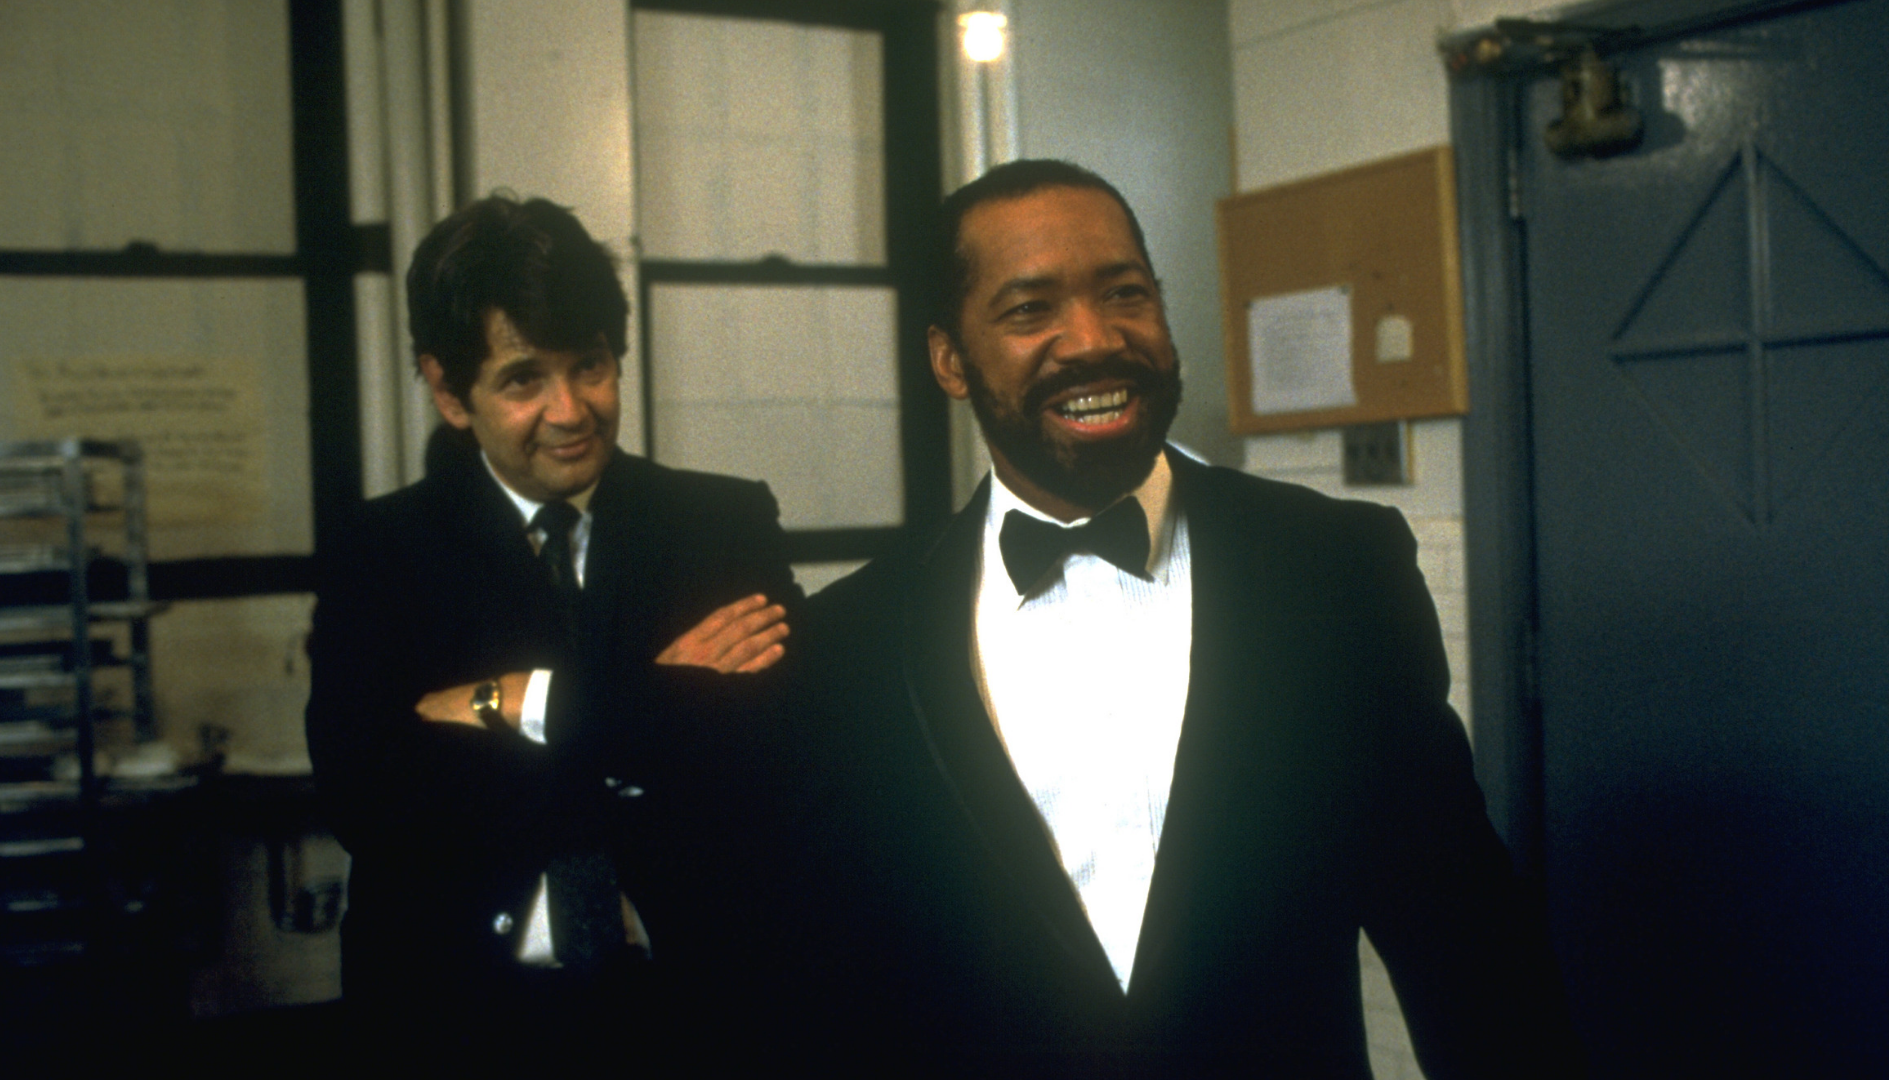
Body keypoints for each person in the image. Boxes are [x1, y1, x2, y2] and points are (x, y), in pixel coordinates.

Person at [772, 160, 1585, 1075]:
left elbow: (1464, 938)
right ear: (949, 359)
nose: (1094, 340)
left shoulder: (1334, 569)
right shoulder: (856, 641)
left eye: (1125, 293)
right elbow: (828, 989)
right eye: (1030, 310)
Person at [303, 195, 799, 1052]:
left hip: (689, 1003)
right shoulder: (379, 551)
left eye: (590, 366)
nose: (571, 411)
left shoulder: (721, 522)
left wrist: (521, 704)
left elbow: (773, 758)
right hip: (457, 1011)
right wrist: (661, 707)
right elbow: (371, 801)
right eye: (524, 379)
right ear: (448, 391)